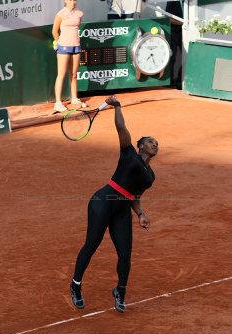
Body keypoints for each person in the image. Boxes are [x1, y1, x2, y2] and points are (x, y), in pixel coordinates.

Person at [70, 95, 158, 312]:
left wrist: (141, 214)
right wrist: (116, 105)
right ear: (139, 146)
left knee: (125, 254)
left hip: (122, 212)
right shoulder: (128, 153)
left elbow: (135, 196)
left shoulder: (150, 176)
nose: (154, 144)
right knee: (91, 245)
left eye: (156, 143)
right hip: (102, 203)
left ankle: (120, 291)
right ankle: (76, 285)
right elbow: (121, 126)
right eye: (149, 141)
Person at [52, 0, 86, 113]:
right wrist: (60, 44)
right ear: (65, 1)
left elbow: (76, 28)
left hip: (76, 46)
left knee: (74, 75)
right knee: (61, 74)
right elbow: (54, 31)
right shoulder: (60, 14)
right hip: (63, 47)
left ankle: (74, 99)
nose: (72, 1)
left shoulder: (79, 13)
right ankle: (57, 103)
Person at [165, 0, 183, 89]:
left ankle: (180, 81)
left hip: (186, 33)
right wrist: (182, 23)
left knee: (186, 57)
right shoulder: (172, 1)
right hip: (174, 32)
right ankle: (170, 83)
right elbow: (167, 17)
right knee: (172, 57)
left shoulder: (191, 3)